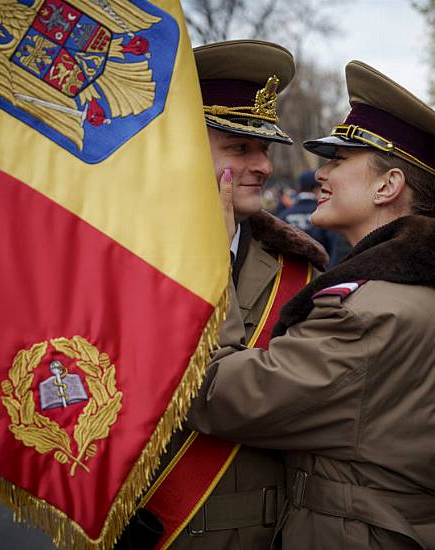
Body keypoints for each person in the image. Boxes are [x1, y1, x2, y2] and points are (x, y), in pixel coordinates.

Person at [187, 61, 435, 550]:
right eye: (241, 147)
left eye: (338, 159)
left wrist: (209, 263)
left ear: (387, 186)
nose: (321, 173)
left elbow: (217, 393)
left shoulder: (363, 312)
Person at [117, 39, 329, 550]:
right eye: (240, 148)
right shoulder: (120, 256)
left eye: (265, 149)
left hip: (258, 530)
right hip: (142, 525)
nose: (263, 166)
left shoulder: (298, 271)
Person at [279, 170, 341, 262]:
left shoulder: (284, 215)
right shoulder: (325, 214)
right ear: (317, 189)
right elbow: (334, 246)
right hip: (321, 270)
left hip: (289, 271)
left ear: (299, 187)